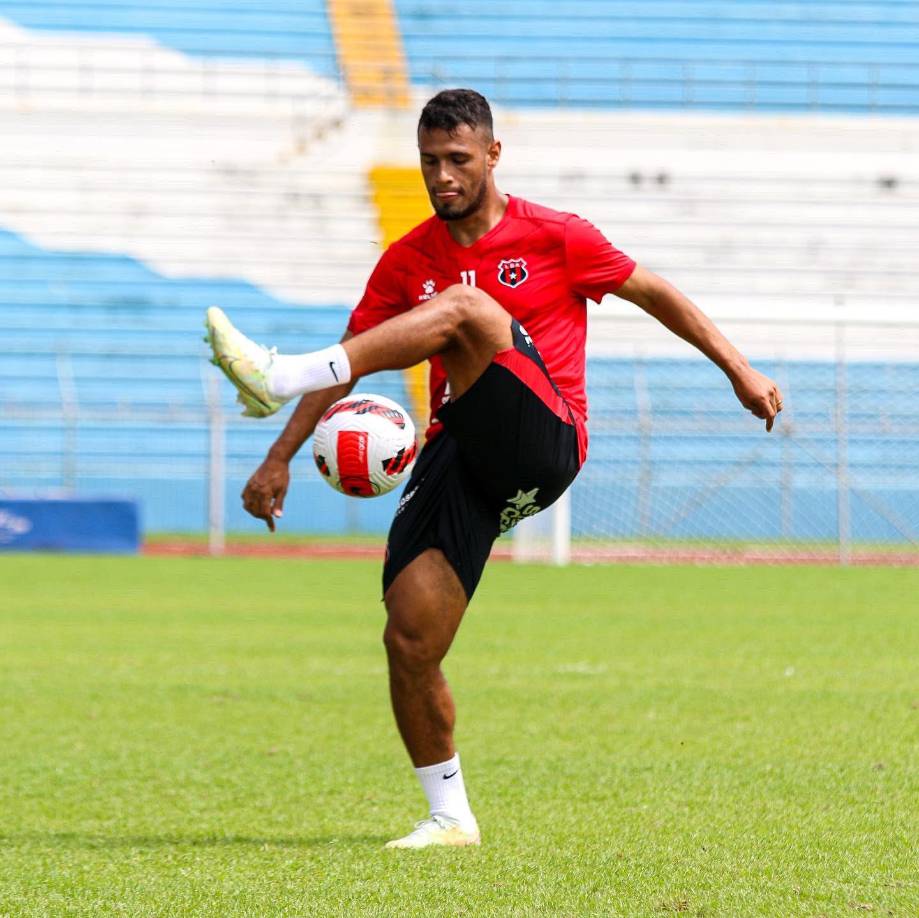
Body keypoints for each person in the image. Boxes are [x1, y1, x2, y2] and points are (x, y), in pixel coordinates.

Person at [205, 88, 783, 849]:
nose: (442, 176)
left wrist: (738, 370)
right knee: (409, 639)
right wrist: (278, 457)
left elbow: (654, 293)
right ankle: (450, 817)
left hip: (546, 437)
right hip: (465, 452)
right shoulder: (406, 257)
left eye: (456, 160)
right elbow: (348, 367)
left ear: (491, 156)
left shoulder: (555, 235)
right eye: (428, 162)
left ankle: (275, 373)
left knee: (469, 310)